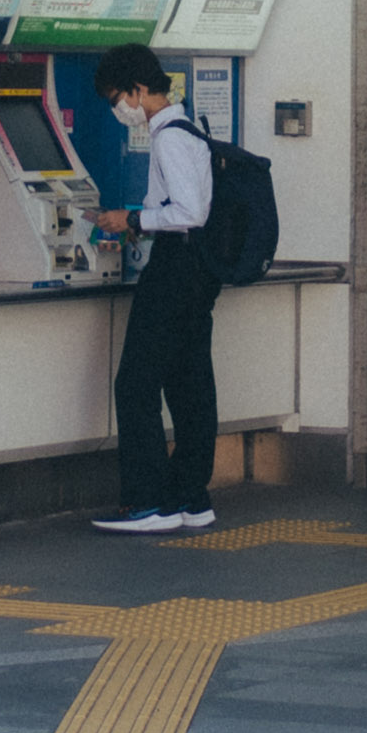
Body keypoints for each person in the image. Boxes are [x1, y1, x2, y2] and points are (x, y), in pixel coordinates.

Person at [88, 44, 219, 536]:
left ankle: (147, 503)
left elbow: (189, 212)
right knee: (189, 383)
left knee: (137, 384)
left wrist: (134, 219)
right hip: (194, 271)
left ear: (140, 91)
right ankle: (190, 495)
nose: (117, 108)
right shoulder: (191, 132)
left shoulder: (169, 139)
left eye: (118, 97)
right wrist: (136, 225)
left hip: (174, 271)